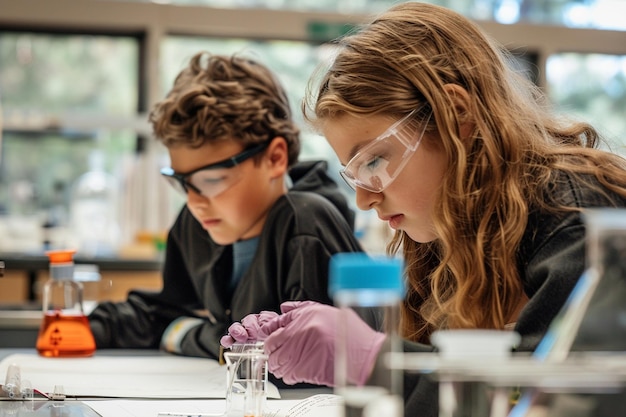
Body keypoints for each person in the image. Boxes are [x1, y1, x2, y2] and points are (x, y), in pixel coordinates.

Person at [220, 2, 626, 416]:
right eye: (353, 175)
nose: (364, 198)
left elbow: (545, 404)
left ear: (457, 114)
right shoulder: (449, 229)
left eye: (374, 162)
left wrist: (371, 360)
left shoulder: (580, 217)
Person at [88, 51, 364, 362]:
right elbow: (161, 316)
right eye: (182, 182)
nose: (194, 201)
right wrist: (88, 327)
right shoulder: (198, 222)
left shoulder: (305, 221)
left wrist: (198, 334)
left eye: (212, 180)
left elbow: (293, 356)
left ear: (275, 158)